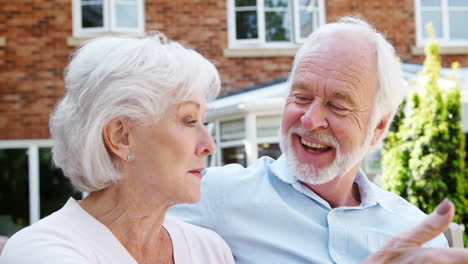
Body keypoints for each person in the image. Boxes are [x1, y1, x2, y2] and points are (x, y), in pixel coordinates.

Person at [169, 17, 465, 263]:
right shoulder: (214, 195)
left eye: (337, 106)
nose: (310, 120)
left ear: (378, 127)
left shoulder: (414, 233)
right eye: (301, 97)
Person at [0, 33, 234, 263]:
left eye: (204, 122)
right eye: (189, 120)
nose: (209, 145)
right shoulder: (41, 251)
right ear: (121, 137)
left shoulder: (209, 249)